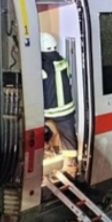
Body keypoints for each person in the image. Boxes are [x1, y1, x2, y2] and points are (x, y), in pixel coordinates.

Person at [40, 33, 77, 162]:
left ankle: (48, 153)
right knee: (68, 139)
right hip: (67, 110)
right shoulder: (62, 61)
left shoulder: (43, 66)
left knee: (39, 133)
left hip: (49, 111)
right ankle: (71, 166)